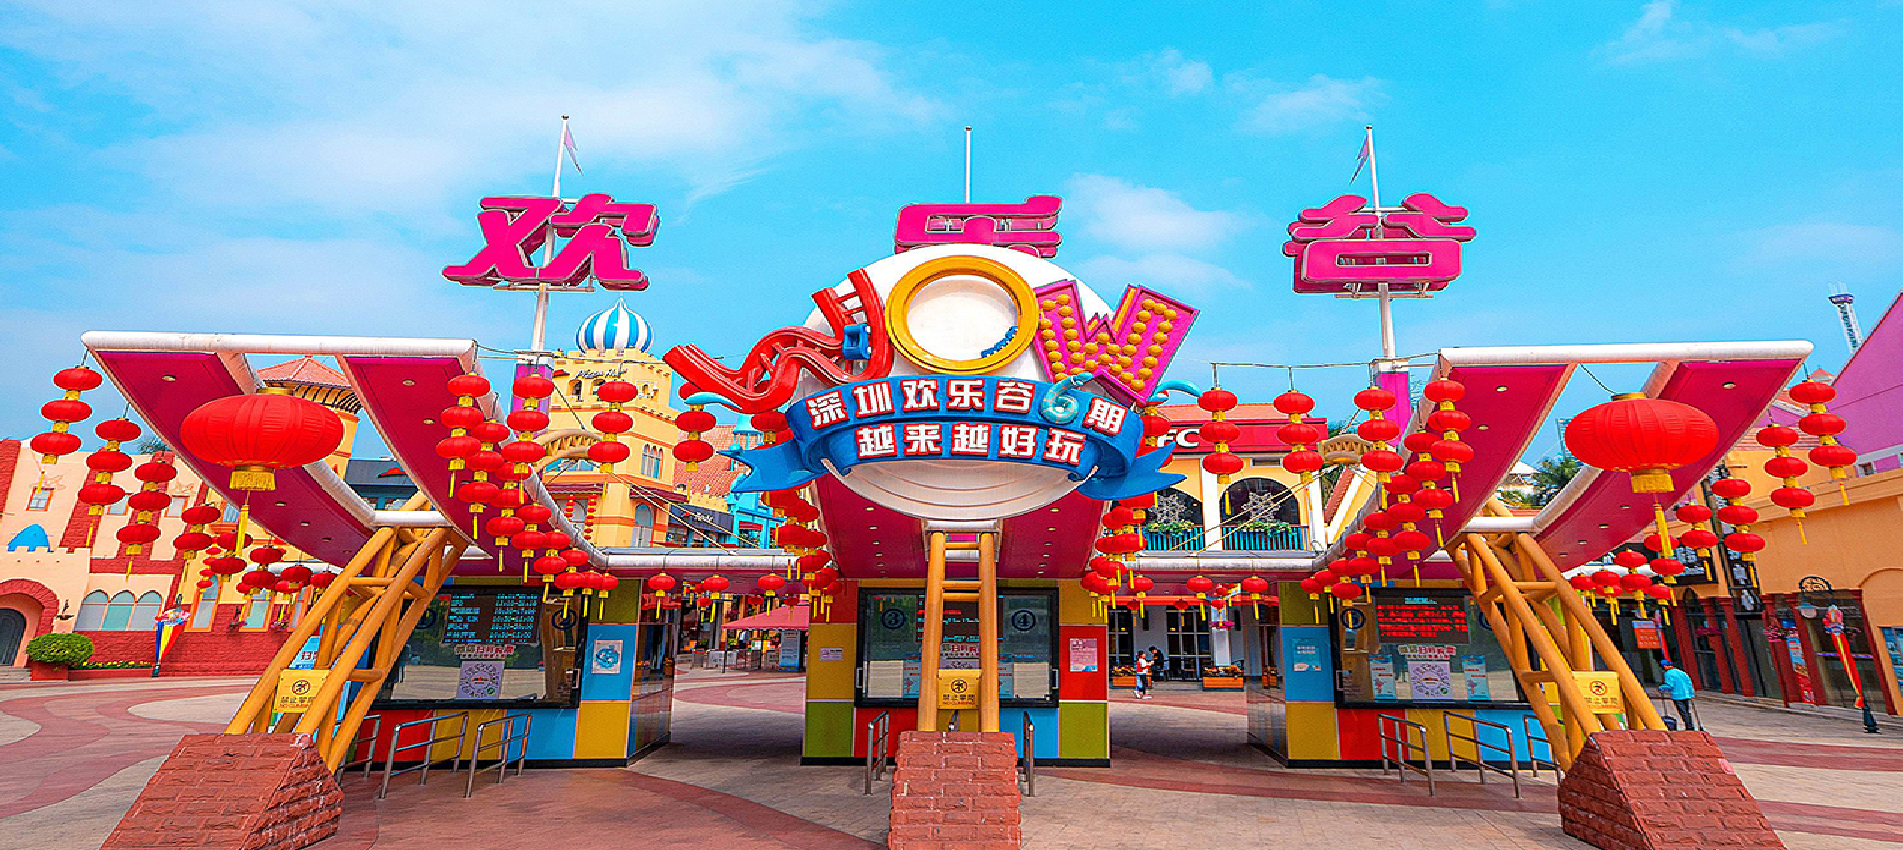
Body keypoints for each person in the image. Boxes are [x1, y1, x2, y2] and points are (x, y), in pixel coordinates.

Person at [1659, 660, 1698, 730]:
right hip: (1686, 695)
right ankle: (1690, 726)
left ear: (1665, 666)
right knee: (1686, 711)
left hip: (1677, 696)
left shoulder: (1668, 674)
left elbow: (1670, 685)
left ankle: (1689, 727)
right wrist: (1691, 694)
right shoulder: (1682, 672)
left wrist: (1661, 688)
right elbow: (1689, 684)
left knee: (1683, 712)